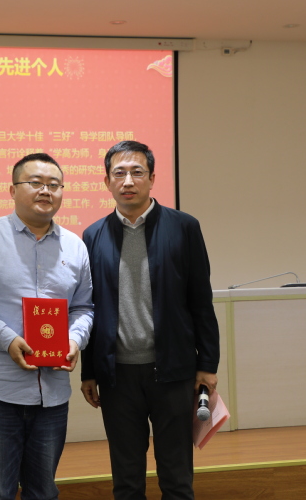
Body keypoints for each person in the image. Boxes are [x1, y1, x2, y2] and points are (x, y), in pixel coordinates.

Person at [0, 153, 94, 500]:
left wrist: (74, 340)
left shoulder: (75, 246)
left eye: (54, 185)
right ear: (12, 190)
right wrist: (6, 338)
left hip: (52, 394)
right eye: (35, 183)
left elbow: (84, 307)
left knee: (44, 491)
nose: (46, 191)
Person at [80, 141, 219, 500]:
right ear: (107, 182)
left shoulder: (184, 227)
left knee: (176, 476)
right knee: (126, 479)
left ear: (152, 178)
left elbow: (201, 301)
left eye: (137, 172)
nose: (128, 181)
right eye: (119, 173)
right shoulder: (93, 235)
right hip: (117, 376)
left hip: (172, 372)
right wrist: (89, 371)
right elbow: (91, 307)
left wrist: (207, 364)